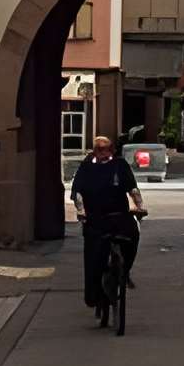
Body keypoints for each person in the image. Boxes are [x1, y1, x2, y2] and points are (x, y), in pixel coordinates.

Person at [70, 133, 145, 313]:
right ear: (94, 151)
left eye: (105, 149)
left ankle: (124, 272)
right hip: (95, 218)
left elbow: (132, 188)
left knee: (133, 234)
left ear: (112, 150)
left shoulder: (120, 165)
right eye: (98, 149)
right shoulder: (86, 167)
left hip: (119, 215)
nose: (102, 153)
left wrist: (140, 205)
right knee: (94, 251)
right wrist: (81, 210)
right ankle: (95, 294)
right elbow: (78, 192)